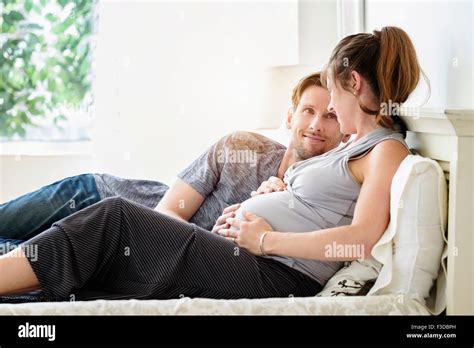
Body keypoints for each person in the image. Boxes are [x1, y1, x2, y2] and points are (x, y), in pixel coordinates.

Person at [0, 26, 419, 302]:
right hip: (255, 262)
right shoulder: (356, 145)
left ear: (354, 84)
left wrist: (265, 240)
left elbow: (360, 239)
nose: (328, 108)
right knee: (104, 268)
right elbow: (320, 209)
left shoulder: (385, 149)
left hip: (276, 276)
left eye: (331, 94)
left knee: (115, 218)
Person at [0, 72, 346, 255]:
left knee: (27, 257)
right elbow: (168, 213)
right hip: (97, 195)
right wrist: (213, 241)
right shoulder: (241, 146)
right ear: (290, 116)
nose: (317, 124)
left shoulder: (316, 196)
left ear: (345, 127)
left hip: (110, 240)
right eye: (308, 111)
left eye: (330, 116)